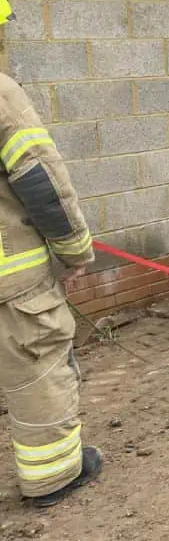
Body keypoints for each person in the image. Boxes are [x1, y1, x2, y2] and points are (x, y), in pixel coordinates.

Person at [1, 63, 102, 506]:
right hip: (12, 281)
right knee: (36, 365)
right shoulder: (2, 95)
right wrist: (75, 250)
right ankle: (53, 476)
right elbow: (38, 179)